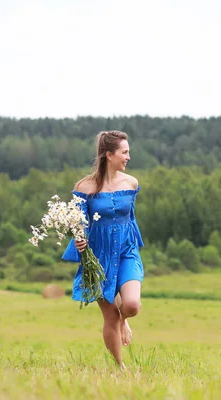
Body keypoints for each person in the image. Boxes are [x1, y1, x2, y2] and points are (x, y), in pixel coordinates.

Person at [61, 130, 144, 370]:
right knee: (110, 316)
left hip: (127, 251)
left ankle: (124, 322)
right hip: (97, 256)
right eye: (124, 152)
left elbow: (131, 219)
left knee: (131, 306)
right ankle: (120, 369)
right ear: (109, 154)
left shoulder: (131, 183)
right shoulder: (84, 187)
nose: (128, 157)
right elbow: (78, 224)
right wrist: (78, 241)